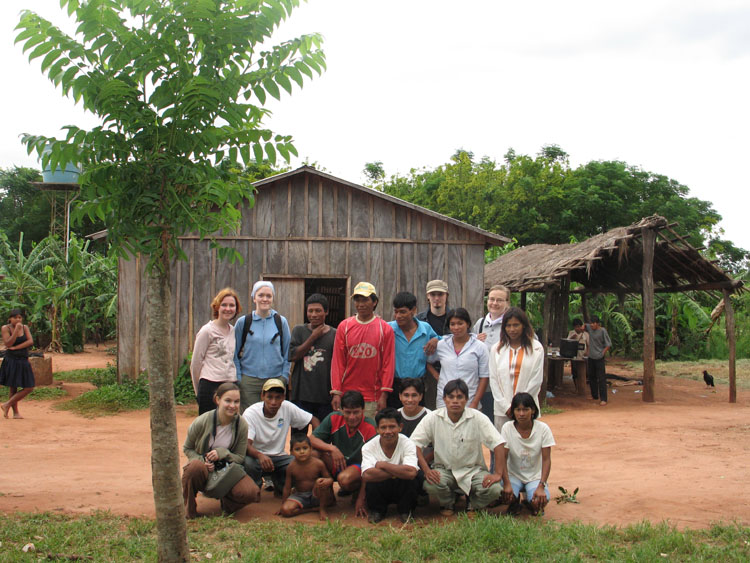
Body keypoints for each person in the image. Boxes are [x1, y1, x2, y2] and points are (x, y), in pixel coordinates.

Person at [410, 379, 508, 515]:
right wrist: (426, 470)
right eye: (451, 397)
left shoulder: (477, 417)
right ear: (444, 399)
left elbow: (498, 444)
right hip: (444, 471)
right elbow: (414, 445)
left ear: (467, 399)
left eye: (460, 397)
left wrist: (498, 473)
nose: (455, 401)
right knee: (430, 484)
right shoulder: (433, 418)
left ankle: (473, 503)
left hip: (473, 471)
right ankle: (447, 503)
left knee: (495, 490)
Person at [182, 382, 260, 518]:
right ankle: (189, 510)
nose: (232, 406)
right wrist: (202, 461)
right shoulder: (202, 421)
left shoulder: (241, 424)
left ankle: (228, 506)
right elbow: (187, 448)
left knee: (251, 492)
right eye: (228, 400)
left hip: (226, 470)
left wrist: (224, 453)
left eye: (236, 402)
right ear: (217, 400)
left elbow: (240, 457)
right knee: (194, 467)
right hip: (203, 468)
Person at [330, 282, 394, 420]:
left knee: (370, 437)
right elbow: (338, 362)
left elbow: (388, 364)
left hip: (373, 397)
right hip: (347, 395)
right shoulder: (344, 327)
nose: (361, 304)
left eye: (365, 300)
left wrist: (384, 394)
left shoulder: (385, 329)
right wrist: (336, 392)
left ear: (375, 302)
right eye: (357, 300)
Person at [242, 378, 319, 493]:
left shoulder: (287, 407)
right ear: (262, 396)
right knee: (248, 462)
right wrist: (260, 455)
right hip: (257, 458)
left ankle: (281, 485)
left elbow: (313, 420)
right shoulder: (251, 413)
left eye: (278, 397)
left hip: (280, 457)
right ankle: (254, 489)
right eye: (269, 397)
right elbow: (246, 445)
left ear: (283, 397)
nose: (273, 402)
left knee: (302, 460)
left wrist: (315, 443)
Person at [309, 390, 377, 517]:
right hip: (337, 461)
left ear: (363, 409)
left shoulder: (371, 427)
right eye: (348, 412)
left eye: (356, 412)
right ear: (341, 410)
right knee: (314, 454)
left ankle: (359, 492)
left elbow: (371, 465)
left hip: (359, 467)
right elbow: (312, 439)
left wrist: (361, 499)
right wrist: (332, 449)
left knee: (344, 480)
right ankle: (327, 495)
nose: (352, 417)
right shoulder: (333, 418)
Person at [234, 280, 291, 412]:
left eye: (268, 296)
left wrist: (284, 377)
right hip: (249, 380)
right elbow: (234, 353)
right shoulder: (243, 322)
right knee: (249, 418)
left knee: (272, 417)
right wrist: (239, 378)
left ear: (272, 298)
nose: (264, 299)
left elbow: (288, 352)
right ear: (254, 298)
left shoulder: (280, 322)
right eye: (260, 295)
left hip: (275, 378)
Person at [488, 307, 544, 432]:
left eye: (516, 325)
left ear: (524, 325)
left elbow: (536, 380)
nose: (512, 329)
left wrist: (520, 407)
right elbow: (494, 380)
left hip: (527, 409)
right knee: (503, 445)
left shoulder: (536, 348)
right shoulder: (496, 349)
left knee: (527, 445)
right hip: (503, 410)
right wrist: (507, 407)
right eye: (508, 325)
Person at [360, 407, 420, 523]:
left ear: (400, 427)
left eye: (392, 427)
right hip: (382, 487)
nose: (388, 431)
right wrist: (398, 471)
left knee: (414, 479)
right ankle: (377, 511)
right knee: (372, 482)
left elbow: (412, 473)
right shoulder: (368, 447)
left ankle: (406, 511)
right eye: (383, 427)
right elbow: (367, 475)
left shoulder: (408, 443)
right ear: (377, 429)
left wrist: (383, 465)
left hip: (402, 485)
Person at [500, 392, 555, 516]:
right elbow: (503, 458)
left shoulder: (543, 429)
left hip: (535, 477)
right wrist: (507, 483)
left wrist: (541, 485)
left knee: (540, 501)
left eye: (525, 409)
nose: (521, 414)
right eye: (517, 409)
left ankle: (530, 502)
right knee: (505, 496)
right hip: (513, 475)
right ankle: (514, 502)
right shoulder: (507, 428)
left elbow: (546, 460)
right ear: (513, 412)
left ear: (533, 411)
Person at [190, 288, 241, 415]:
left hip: (230, 385)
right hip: (209, 385)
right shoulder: (207, 331)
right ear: (217, 307)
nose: (228, 308)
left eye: (232, 305)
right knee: (209, 428)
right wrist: (199, 391)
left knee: (229, 427)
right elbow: (196, 363)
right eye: (224, 305)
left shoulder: (234, 331)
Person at [289, 294, 337, 424]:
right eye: (310, 311)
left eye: (318, 311)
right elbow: (293, 356)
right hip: (301, 395)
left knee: (323, 437)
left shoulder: (334, 334)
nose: (313, 314)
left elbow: (338, 364)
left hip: (325, 396)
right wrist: (313, 337)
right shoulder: (299, 331)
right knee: (299, 436)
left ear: (326, 312)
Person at [428, 308, 489, 410]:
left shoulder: (479, 347)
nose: (456, 327)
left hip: (469, 399)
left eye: (460, 323)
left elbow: (484, 377)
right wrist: (437, 375)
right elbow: (427, 361)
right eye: (452, 324)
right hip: (445, 399)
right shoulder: (442, 344)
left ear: (468, 324)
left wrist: (475, 402)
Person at [387, 291, 438, 408]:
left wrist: (436, 341)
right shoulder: (388, 329)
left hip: (418, 385)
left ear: (413, 310)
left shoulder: (426, 329)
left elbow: (445, 341)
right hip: (395, 385)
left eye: (403, 312)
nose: (398, 316)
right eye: (396, 312)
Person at [473, 285, 511, 419]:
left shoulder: (512, 323)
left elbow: (530, 344)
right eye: (491, 299)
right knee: (487, 420)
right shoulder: (480, 323)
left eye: (500, 300)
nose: (495, 303)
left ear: (507, 303)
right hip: (484, 385)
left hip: (505, 385)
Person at [276, 433, 335, 520]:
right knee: (286, 510)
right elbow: (287, 488)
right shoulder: (291, 467)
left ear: (311, 449)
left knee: (320, 482)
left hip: (316, 494)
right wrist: (283, 505)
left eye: (305, 448)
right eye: (297, 449)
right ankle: (312, 509)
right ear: (291, 452)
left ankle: (322, 509)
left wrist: (327, 481)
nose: (302, 452)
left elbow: (329, 479)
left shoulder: (318, 464)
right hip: (300, 495)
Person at [416, 279, 452, 409]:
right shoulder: (418, 320)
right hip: (426, 374)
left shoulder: (455, 317)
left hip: (451, 371)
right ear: (427, 296)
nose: (437, 298)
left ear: (446, 295)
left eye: (440, 294)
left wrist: (438, 339)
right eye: (433, 294)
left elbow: (463, 339)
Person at [0, 309, 35, 419]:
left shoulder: (25, 328)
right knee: (13, 386)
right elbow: (8, 342)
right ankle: (15, 413)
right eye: (15, 317)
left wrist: (16, 347)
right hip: (11, 360)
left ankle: (7, 404)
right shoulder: (5, 328)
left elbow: (30, 341)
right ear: (10, 318)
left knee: (29, 387)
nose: (18, 320)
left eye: (20, 317)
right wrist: (15, 331)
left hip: (23, 359)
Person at [586, 315, 612, 406]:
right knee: (591, 377)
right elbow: (585, 326)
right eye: (591, 323)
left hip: (599, 358)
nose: (592, 325)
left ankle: (603, 398)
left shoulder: (602, 331)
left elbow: (608, 344)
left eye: (593, 323)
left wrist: (603, 353)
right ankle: (594, 395)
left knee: (601, 378)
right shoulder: (589, 328)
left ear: (597, 324)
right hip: (591, 357)